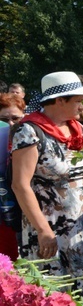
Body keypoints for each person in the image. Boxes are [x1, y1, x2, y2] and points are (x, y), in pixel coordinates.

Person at [11, 71, 83, 300]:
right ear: (59, 100)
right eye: (78, 100)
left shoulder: (78, 129)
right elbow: (20, 184)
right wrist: (43, 230)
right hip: (51, 230)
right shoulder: (29, 131)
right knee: (54, 298)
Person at [0, 93, 26, 260]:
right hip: (4, 209)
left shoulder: (32, 135)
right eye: (4, 118)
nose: (10, 123)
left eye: (15, 118)